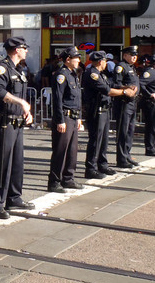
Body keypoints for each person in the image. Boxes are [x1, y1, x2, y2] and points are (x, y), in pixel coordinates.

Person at [0, 37, 35, 219]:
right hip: (5, 122)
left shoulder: (19, 69)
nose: (26, 51)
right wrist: (20, 102)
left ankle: (14, 197)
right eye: (24, 48)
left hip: (17, 121)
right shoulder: (2, 67)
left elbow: (19, 96)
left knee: (17, 163)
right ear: (16, 50)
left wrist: (25, 111)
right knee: (3, 164)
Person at [82, 50, 130, 180]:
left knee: (104, 140)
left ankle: (102, 164)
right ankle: (91, 168)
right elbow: (106, 90)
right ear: (100, 62)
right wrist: (124, 93)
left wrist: (125, 87)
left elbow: (111, 84)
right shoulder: (92, 74)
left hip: (104, 110)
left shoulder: (100, 74)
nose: (106, 64)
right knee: (95, 141)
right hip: (96, 111)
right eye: (104, 61)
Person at [47, 46, 84, 193]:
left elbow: (77, 98)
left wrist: (80, 117)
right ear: (68, 59)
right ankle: (54, 181)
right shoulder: (61, 75)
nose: (79, 60)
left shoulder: (72, 74)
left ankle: (68, 178)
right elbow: (57, 99)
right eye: (76, 58)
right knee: (60, 150)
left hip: (73, 117)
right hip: (65, 116)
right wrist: (60, 120)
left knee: (72, 150)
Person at [112, 46, 140, 168]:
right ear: (125, 55)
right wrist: (127, 88)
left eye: (135, 55)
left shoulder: (132, 68)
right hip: (124, 102)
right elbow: (115, 84)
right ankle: (121, 158)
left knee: (130, 130)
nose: (134, 57)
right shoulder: (121, 67)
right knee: (123, 131)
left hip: (132, 102)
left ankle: (127, 154)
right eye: (131, 55)